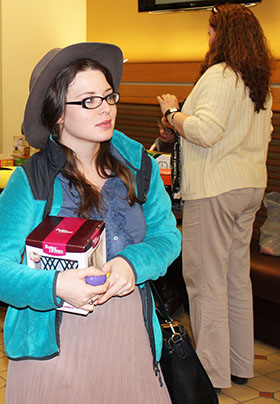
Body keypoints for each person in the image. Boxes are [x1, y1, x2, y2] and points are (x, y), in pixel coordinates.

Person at [0, 43, 181, 403]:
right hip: (56, 345)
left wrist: (132, 264)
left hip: (130, 332)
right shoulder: (32, 181)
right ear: (57, 114)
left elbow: (167, 237)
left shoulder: (137, 165)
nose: (105, 109)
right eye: (89, 101)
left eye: (108, 96)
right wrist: (55, 285)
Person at [157, 3, 273, 389]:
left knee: (205, 280)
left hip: (216, 188)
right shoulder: (258, 81)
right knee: (235, 279)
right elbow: (264, 135)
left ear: (222, 36)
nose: (206, 39)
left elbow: (205, 131)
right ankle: (240, 365)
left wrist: (173, 113)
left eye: (209, 32)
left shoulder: (220, 75)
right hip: (250, 185)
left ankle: (209, 374)